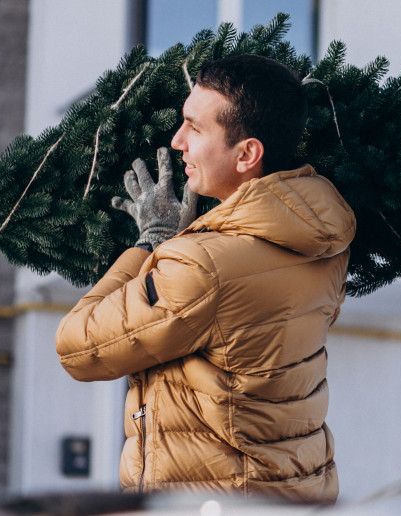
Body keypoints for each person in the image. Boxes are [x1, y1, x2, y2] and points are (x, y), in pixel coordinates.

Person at [55, 54, 355, 503]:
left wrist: (151, 243)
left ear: (247, 154)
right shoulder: (324, 237)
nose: (177, 142)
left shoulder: (203, 268)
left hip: (214, 504)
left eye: (195, 128)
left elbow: (77, 347)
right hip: (293, 494)